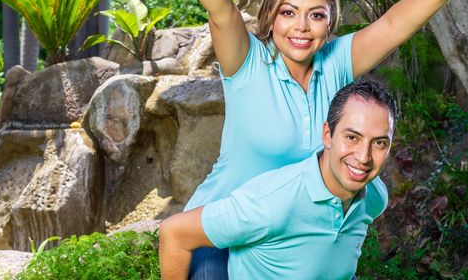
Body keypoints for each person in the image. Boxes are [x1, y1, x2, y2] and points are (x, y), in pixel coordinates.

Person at [162, 0, 468, 278]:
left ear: (330, 22)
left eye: (315, 15)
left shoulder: (336, 63)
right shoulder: (248, 63)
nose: (301, 26)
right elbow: (222, 10)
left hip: (291, 236)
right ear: (271, 19)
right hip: (220, 234)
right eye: (288, 12)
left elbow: (392, 26)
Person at [159, 80, 397, 280]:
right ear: (328, 135)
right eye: (352, 137)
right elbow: (174, 232)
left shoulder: (374, 196)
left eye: (379, 143)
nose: (363, 157)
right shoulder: (272, 203)